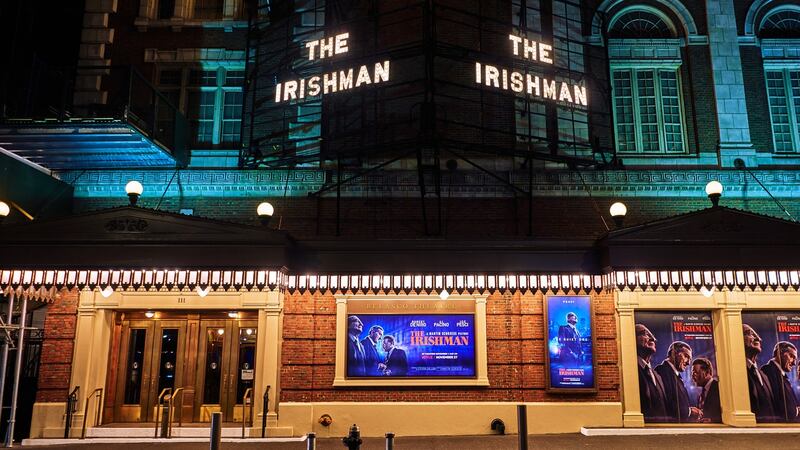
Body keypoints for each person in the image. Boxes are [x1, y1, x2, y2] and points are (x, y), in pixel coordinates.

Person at [655, 341, 702, 422]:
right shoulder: (662, 370)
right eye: (686, 356)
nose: (688, 363)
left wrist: (689, 410)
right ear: (673, 353)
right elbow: (667, 403)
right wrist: (690, 412)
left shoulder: (675, 375)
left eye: (690, 359)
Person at [743, 324, 777, 422]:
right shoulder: (735, 373)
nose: (758, 338)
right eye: (749, 334)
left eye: (756, 335)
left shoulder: (764, 376)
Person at [635, 324, 668, 422]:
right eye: (644, 334)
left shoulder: (657, 376)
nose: (651, 339)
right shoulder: (632, 371)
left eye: (652, 336)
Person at [761, 341, 800, 422]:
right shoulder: (768, 370)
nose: (794, 363)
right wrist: (796, 411)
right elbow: (775, 403)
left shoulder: (781, 374)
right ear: (779, 353)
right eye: (792, 356)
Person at [691, 357, 721, 423]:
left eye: (695, 372)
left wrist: (712, 421)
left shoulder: (719, 388)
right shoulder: (702, 392)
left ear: (707, 373)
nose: (692, 376)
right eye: (692, 373)